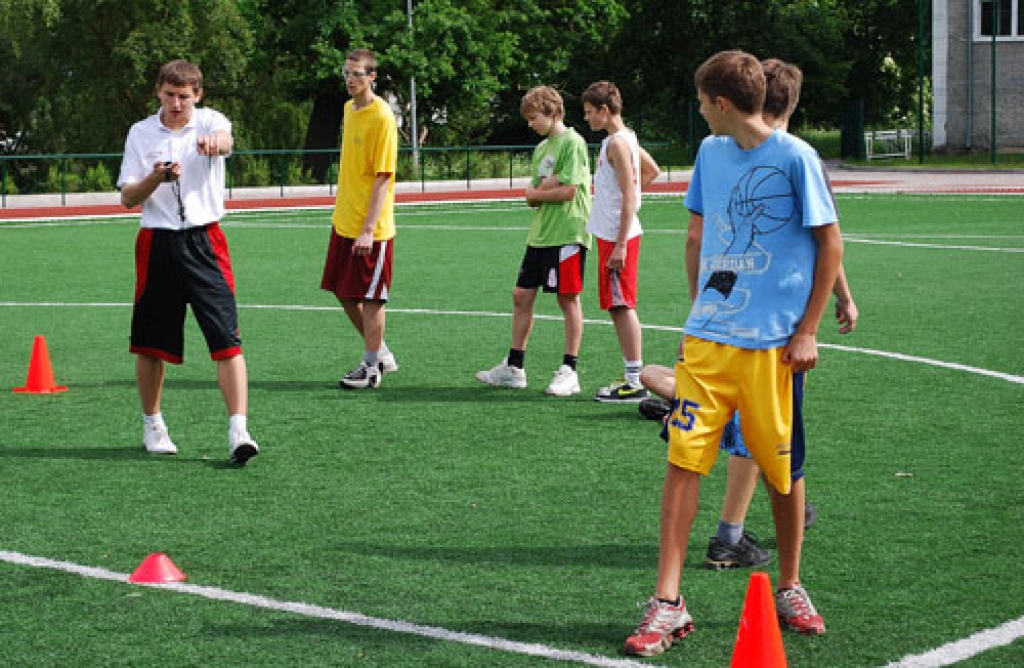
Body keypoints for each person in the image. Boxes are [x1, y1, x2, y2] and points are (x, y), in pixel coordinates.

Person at [624, 50, 843, 657]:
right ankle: (668, 601)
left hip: (773, 350)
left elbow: (830, 246)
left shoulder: (797, 157)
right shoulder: (709, 155)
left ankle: (792, 586)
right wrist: (700, 311)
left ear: (722, 103)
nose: (699, 111)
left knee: (783, 470)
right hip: (709, 345)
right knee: (683, 461)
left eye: (700, 101)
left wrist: (808, 331)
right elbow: (697, 234)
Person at [117, 59, 258, 465]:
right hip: (157, 243)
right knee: (151, 344)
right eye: (170, 95)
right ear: (158, 93)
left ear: (198, 95)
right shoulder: (141, 133)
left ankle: (238, 430)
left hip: (205, 242)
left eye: (185, 96)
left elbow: (226, 141)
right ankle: (153, 423)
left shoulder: (212, 121)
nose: (177, 103)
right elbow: (128, 197)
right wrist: (156, 178)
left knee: (227, 338)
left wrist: (215, 143)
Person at [476, 86, 592, 396]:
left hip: (568, 232)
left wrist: (541, 191)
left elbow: (568, 191)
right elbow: (533, 195)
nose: (530, 124)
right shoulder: (542, 149)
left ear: (553, 112)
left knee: (567, 298)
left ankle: (570, 370)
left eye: (534, 117)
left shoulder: (573, 143)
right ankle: (514, 367)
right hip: (541, 234)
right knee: (521, 295)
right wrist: (543, 189)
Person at [321, 48, 399, 390]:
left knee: (371, 298)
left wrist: (368, 229)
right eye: (347, 73)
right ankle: (379, 351)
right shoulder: (347, 109)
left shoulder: (382, 117)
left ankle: (371, 367)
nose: (351, 80)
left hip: (372, 227)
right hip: (345, 220)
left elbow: (383, 177)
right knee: (341, 290)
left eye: (357, 74)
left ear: (372, 77)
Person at [581, 81, 661, 404]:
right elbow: (651, 171)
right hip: (615, 233)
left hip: (617, 236)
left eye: (589, 112)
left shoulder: (616, 143)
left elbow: (631, 193)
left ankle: (633, 380)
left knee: (621, 305)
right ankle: (632, 376)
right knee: (617, 305)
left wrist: (621, 241)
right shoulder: (626, 139)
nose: (586, 119)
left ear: (604, 109)